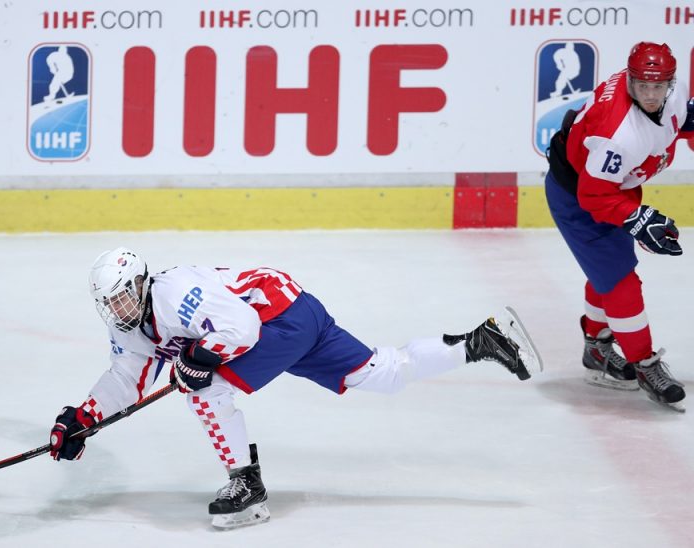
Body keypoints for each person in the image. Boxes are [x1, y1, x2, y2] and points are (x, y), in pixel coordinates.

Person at [49, 247, 542, 529]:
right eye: (109, 304)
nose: (119, 310)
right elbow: (126, 378)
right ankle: (482, 341)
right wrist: (84, 418)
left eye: (124, 297)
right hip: (296, 308)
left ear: (141, 282)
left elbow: (241, 327)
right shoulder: (128, 326)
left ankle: (246, 482)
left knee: (206, 388)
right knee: (380, 373)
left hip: (275, 319)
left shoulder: (176, 293)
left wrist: (199, 358)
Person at [545, 42, 694, 411]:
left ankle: (596, 347)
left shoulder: (671, 96)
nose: (649, 94)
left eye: (657, 86)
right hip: (579, 198)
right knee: (622, 283)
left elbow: (682, 122)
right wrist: (638, 218)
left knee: (608, 272)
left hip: (613, 188)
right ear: (630, 80)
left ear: (670, 84)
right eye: (641, 85)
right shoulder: (617, 134)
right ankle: (644, 364)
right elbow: (593, 197)